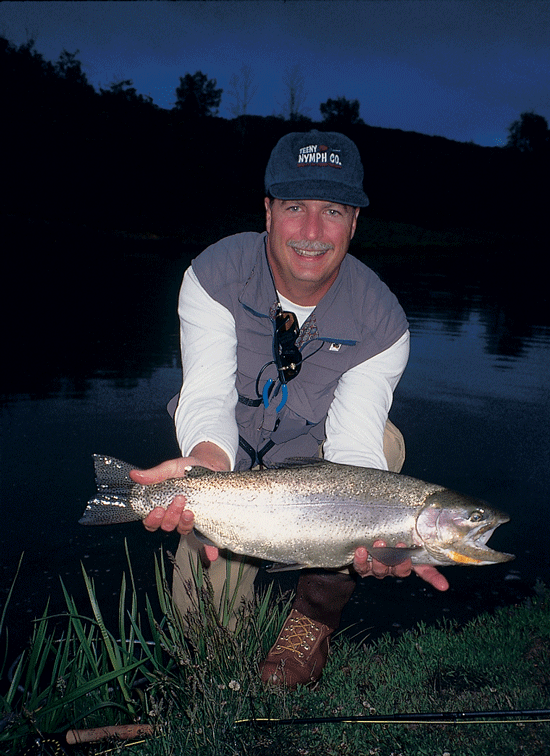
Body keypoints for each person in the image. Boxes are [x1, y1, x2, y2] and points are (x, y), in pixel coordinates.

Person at [130, 129, 449, 689]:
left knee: (384, 448)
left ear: (354, 222)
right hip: (228, 465)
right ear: (269, 211)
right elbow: (206, 395)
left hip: (316, 469)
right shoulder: (212, 276)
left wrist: (374, 535)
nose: (310, 231)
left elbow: (352, 450)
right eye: (295, 207)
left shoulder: (383, 323)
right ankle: (220, 673)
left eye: (332, 210)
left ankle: (312, 619)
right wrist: (205, 463)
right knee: (204, 645)